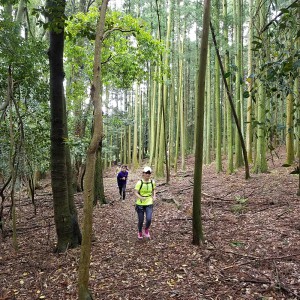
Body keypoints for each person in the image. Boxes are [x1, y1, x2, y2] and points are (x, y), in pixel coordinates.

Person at [133, 166, 156, 240]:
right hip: (140, 203)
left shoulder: (152, 182)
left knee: (149, 219)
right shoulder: (139, 182)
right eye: (146, 173)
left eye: (149, 173)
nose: (148, 174)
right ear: (143, 173)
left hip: (149, 202)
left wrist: (154, 196)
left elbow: (154, 189)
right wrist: (141, 197)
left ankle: (146, 230)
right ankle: (139, 231)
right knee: (141, 220)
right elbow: (135, 192)